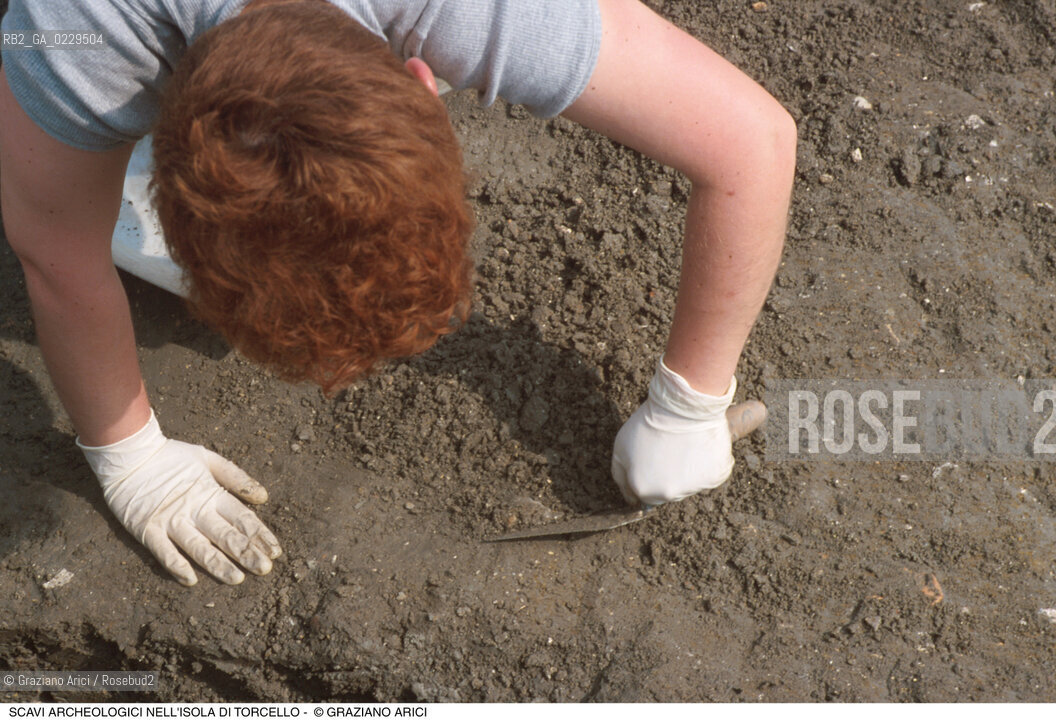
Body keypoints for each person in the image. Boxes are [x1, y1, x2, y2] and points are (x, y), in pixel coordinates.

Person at [0, 0, 796, 585]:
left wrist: (692, 396)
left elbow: (753, 142)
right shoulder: (69, 35)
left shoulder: (484, 14)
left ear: (420, 78)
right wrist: (129, 455)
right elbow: (56, 252)